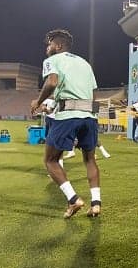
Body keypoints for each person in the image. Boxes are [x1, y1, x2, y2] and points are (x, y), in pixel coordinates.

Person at [29, 29, 102, 218]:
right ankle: (96, 203)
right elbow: (95, 94)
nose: (47, 47)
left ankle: (73, 199)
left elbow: (52, 83)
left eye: (50, 43)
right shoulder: (85, 63)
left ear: (58, 46)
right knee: (90, 159)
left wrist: (38, 102)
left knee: (50, 160)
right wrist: (90, 115)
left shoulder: (52, 60)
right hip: (89, 116)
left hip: (67, 115)